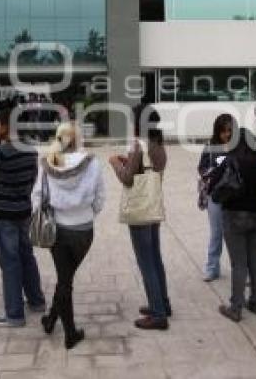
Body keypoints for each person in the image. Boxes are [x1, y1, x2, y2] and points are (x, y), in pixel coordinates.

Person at [33, 122, 105, 349]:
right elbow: (100, 197)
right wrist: (87, 213)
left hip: (59, 230)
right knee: (66, 279)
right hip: (84, 230)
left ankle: (61, 325)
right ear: (77, 139)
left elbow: (37, 196)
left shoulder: (48, 162)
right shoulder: (92, 163)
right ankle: (59, 325)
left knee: (65, 280)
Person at [0, 107, 47, 327]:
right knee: (27, 256)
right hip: (24, 211)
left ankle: (14, 314)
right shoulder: (31, 150)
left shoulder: (0, 152)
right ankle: (36, 301)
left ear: (5, 126)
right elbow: (33, 179)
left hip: (4, 215)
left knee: (10, 262)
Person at [109, 104, 169, 330]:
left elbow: (127, 179)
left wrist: (116, 163)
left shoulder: (138, 146)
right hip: (153, 207)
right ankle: (163, 303)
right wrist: (129, 163)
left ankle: (157, 314)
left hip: (139, 210)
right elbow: (145, 170)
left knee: (146, 262)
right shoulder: (159, 146)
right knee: (155, 257)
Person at [213, 127, 256, 322]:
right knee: (254, 258)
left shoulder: (231, 159)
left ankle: (235, 307)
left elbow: (214, 183)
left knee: (238, 263)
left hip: (234, 215)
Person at [197, 114, 235, 282]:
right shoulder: (210, 146)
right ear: (217, 131)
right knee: (216, 233)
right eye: (223, 131)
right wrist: (211, 173)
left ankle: (241, 269)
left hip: (235, 197)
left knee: (235, 235)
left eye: (229, 131)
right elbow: (201, 168)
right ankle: (212, 268)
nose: (226, 134)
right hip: (215, 196)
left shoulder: (239, 146)